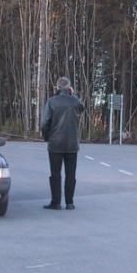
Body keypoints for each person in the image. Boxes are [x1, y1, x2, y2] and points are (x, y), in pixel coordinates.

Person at [41, 76, 84, 210]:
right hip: (72, 144)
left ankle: (56, 202)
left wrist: (47, 137)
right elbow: (82, 108)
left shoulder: (52, 102)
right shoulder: (75, 102)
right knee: (71, 174)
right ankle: (70, 202)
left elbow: (44, 122)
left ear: (57, 87)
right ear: (69, 87)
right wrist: (74, 94)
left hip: (55, 143)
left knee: (55, 173)